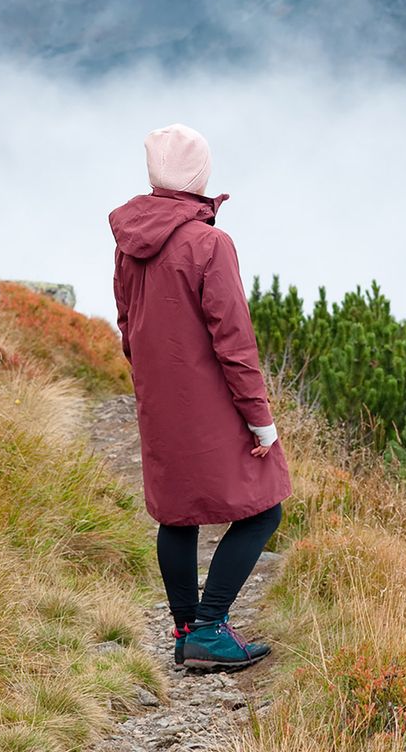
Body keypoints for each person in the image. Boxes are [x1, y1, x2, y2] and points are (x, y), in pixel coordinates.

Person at [108, 122, 292, 670]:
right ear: (200, 175)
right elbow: (234, 343)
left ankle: (186, 629)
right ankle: (210, 627)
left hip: (159, 400)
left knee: (178, 515)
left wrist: (155, 380)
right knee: (265, 508)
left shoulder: (129, 240)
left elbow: (126, 321)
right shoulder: (209, 243)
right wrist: (260, 420)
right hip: (212, 403)